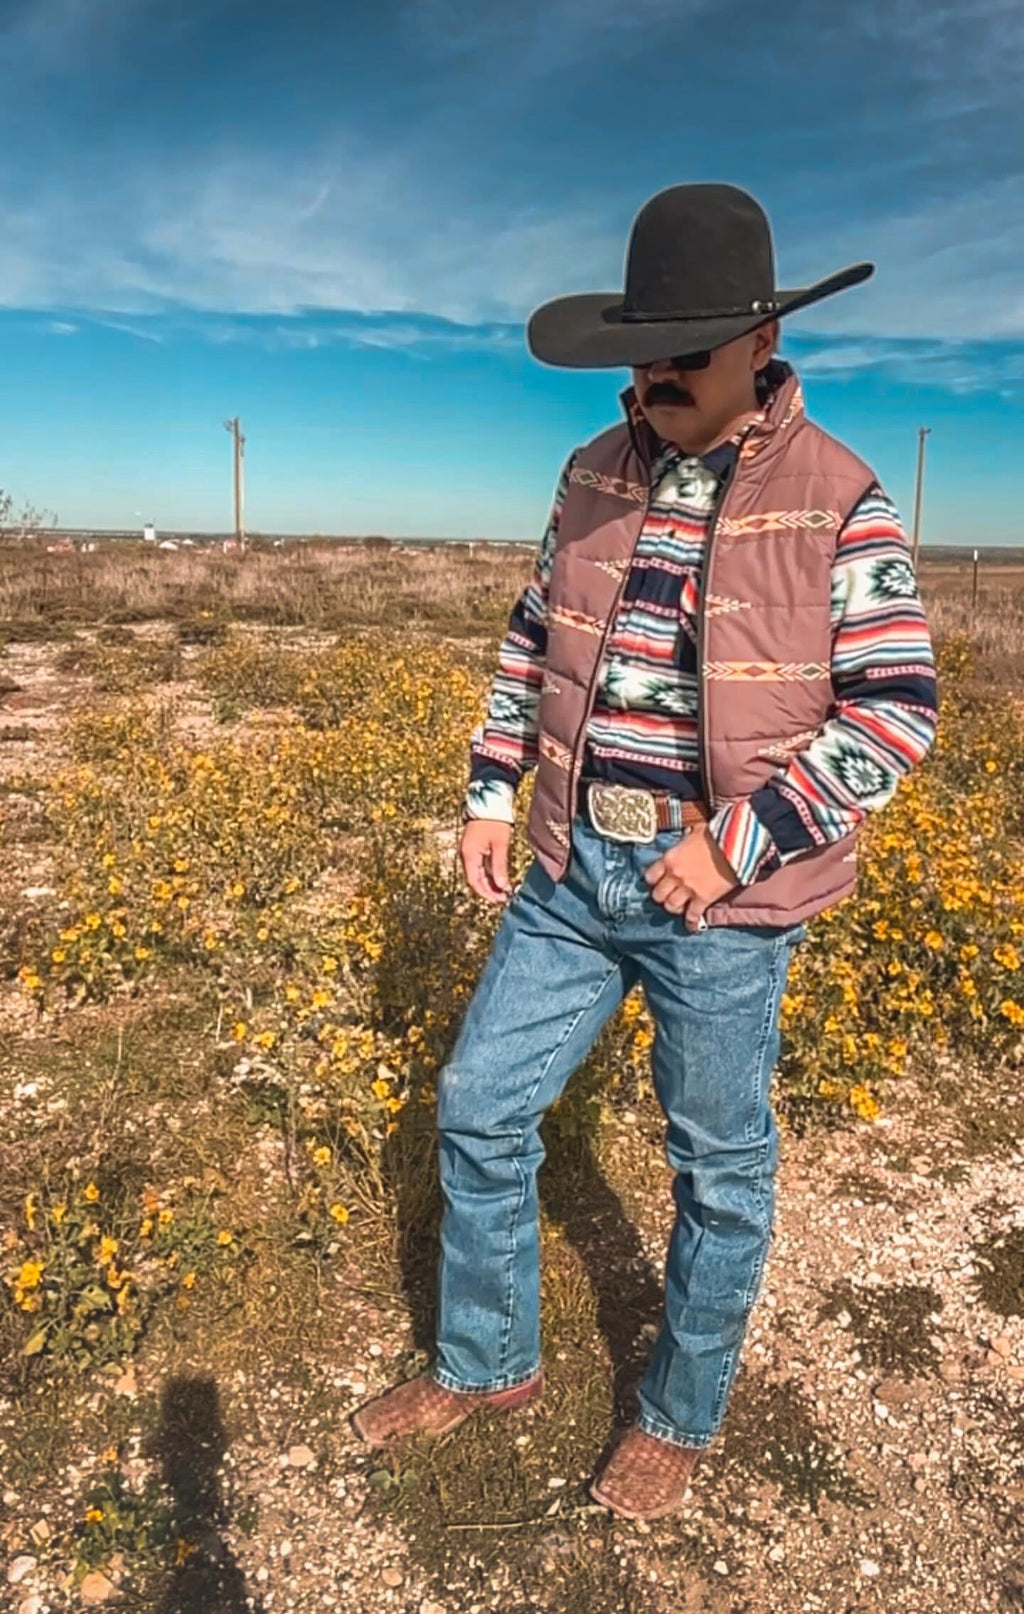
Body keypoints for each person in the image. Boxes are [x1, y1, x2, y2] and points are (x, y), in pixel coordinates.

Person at [352, 183, 938, 1520]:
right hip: (568, 874)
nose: (655, 371)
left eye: (686, 345)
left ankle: (678, 1414)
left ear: (757, 342)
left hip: (718, 907)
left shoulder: (840, 497)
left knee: (719, 1169)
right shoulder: (591, 474)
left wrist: (735, 847)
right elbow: (525, 639)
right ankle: (486, 1361)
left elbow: (896, 709)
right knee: (481, 1105)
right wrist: (492, 790)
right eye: (644, 344)